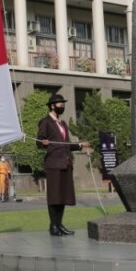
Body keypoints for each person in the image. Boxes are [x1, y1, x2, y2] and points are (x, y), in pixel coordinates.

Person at [37, 94, 90, 236]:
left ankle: (59, 225)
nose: (63, 106)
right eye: (60, 104)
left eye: (63, 104)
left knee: (62, 196)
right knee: (54, 196)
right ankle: (53, 226)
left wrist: (80, 145)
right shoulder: (45, 122)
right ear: (52, 105)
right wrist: (43, 142)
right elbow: (39, 141)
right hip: (54, 164)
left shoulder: (63, 124)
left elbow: (66, 144)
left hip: (66, 163)